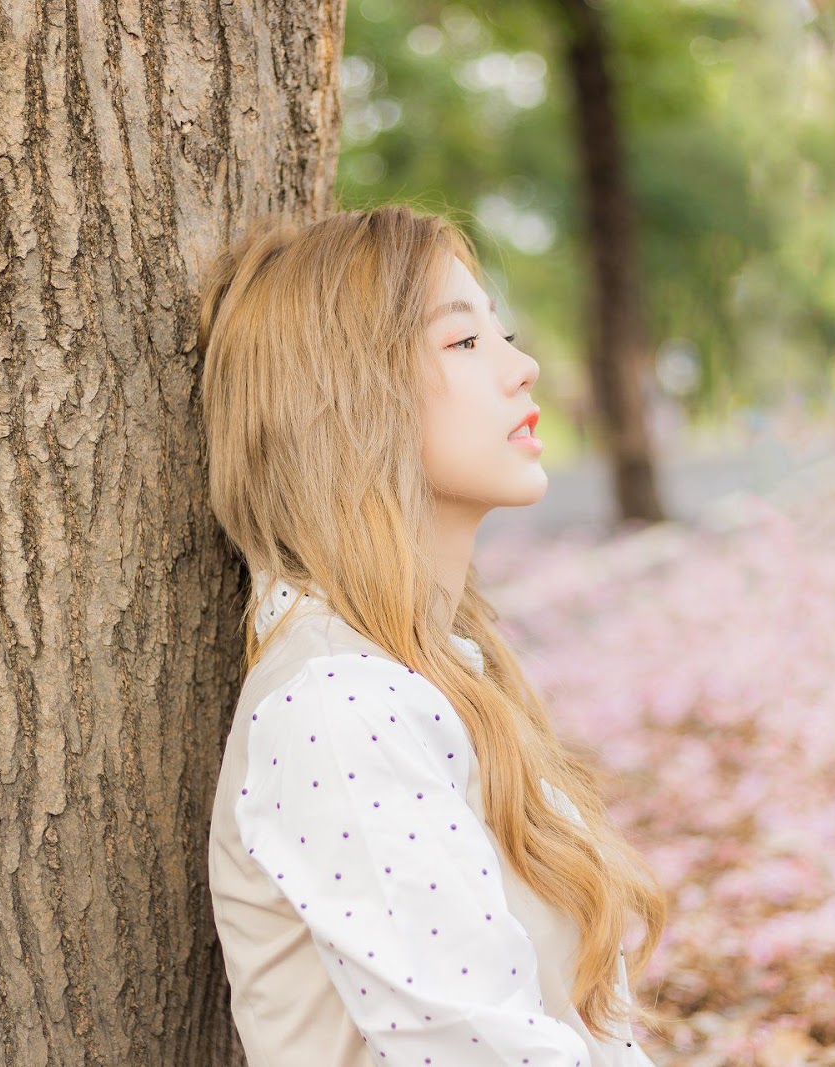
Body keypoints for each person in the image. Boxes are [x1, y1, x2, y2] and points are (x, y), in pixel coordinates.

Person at [199, 204, 667, 1066]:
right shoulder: (338, 708)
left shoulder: (430, 672)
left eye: (505, 335)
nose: (524, 368)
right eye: (463, 343)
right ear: (342, 399)